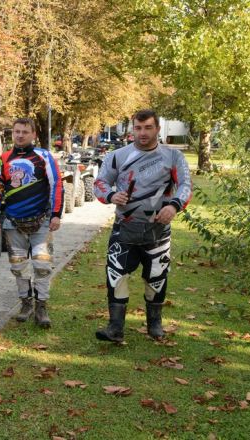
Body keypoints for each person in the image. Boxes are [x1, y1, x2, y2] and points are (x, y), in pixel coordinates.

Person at [93, 109, 192, 343]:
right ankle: (115, 327)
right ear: (132, 129)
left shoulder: (173, 156)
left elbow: (185, 185)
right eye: (138, 128)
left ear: (158, 128)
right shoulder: (117, 156)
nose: (143, 133)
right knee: (116, 275)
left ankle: (155, 325)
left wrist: (174, 206)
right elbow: (100, 183)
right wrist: (111, 195)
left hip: (157, 231)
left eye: (148, 127)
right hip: (124, 228)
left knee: (156, 277)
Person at [0, 118, 63, 327]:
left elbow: (57, 184)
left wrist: (56, 213)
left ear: (33, 135)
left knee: (42, 265)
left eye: (25, 132)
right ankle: (26, 304)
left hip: (42, 221)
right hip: (13, 223)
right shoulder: (2, 160)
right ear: (12, 133)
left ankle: (41, 308)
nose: (20, 135)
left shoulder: (44, 156)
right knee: (18, 266)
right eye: (17, 131)